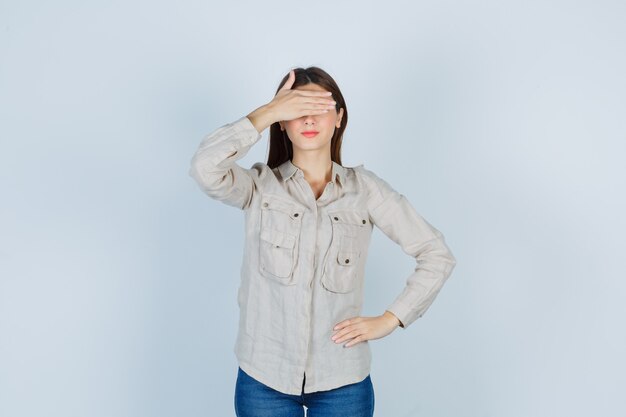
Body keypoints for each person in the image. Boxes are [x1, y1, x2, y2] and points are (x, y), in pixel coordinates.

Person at [189, 66, 457, 417]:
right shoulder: (259, 187)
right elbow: (204, 168)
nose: (309, 118)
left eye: (320, 107)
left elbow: (436, 254)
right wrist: (268, 111)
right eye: (297, 109)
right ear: (283, 123)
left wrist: (392, 319)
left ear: (339, 118)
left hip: (343, 382)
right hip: (263, 378)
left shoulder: (366, 190)